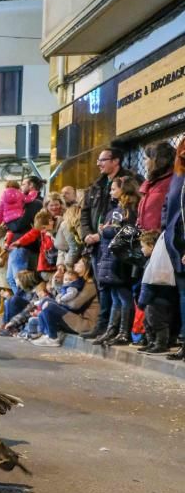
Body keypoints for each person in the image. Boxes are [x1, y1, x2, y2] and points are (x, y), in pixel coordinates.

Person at [80, 146, 139, 338]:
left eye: (103, 160)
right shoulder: (96, 186)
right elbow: (85, 213)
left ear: (116, 161)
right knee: (103, 287)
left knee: (119, 290)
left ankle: (121, 331)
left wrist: (103, 233)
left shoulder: (129, 182)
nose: (98, 163)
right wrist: (88, 234)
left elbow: (126, 223)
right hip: (99, 246)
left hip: (116, 248)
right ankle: (104, 326)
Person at [91, 175, 141, 347]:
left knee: (123, 296)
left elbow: (126, 232)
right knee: (115, 296)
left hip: (120, 259)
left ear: (124, 190)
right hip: (112, 257)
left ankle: (123, 332)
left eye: (114, 189)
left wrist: (105, 230)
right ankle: (112, 330)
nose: (111, 192)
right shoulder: (119, 209)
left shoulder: (127, 211)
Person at [33, 257, 99, 347]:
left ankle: (53, 338)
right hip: (76, 317)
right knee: (46, 301)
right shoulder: (79, 282)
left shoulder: (90, 285)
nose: (75, 264)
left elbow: (75, 305)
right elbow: (64, 295)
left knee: (49, 306)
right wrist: (56, 283)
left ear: (86, 267)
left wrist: (58, 303)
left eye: (79, 263)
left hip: (85, 324)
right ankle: (47, 335)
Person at [161, 139, 185, 361]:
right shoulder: (178, 176)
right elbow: (168, 205)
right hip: (176, 243)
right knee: (183, 294)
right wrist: (165, 232)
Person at [136, 230, 176, 354]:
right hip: (154, 300)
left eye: (143, 246)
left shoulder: (156, 262)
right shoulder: (155, 260)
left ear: (152, 246)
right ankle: (151, 343)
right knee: (148, 322)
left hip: (157, 300)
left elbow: (148, 285)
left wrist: (142, 301)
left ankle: (160, 344)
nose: (141, 250)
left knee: (158, 323)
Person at [3, 176, 44, 294]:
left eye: (23, 184)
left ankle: (24, 306)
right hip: (18, 244)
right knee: (11, 279)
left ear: (31, 186)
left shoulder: (34, 203)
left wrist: (9, 222)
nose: (20, 188)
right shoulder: (25, 202)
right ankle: (22, 305)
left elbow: (19, 225)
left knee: (20, 280)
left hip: (23, 245)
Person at [136, 142, 175, 232]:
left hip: (161, 240)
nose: (143, 162)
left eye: (145, 159)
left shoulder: (172, 180)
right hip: (147, 240)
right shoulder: (152, 182)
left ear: (156, 160)